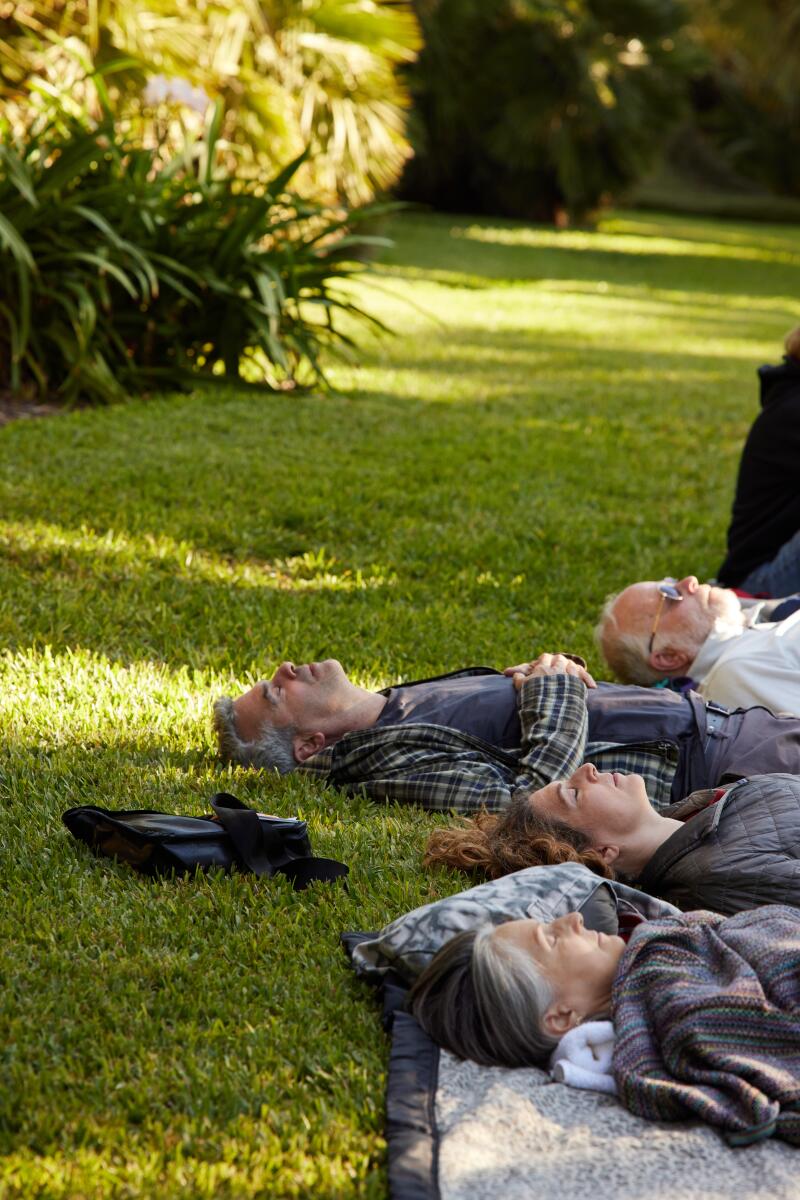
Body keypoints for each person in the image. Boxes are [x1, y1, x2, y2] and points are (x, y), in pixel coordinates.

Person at [409, 901, 800, 1146]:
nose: (573, 918)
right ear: (562, 1017)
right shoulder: (669, 991)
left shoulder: (659, 945)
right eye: (551, 938)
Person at [214, 654, 800, 813]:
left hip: (728, 724)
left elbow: (523, 711)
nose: (285, 670)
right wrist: (554, 689)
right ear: (311, 745)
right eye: (275, 692)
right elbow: (531, 799)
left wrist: (549, 670)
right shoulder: (381, 763)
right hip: (716, 766)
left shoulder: (391, 705)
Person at [425, 764, 800, 915]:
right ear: (602, 851)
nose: (586, 769)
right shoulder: (713, 877)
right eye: (573, 793)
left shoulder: (700, 811)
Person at [596, 574, 800, 712]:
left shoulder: (749, 633)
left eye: (671, 581)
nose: (689, 581)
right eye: (671, 594)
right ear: (669, 657)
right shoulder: (736, 672)